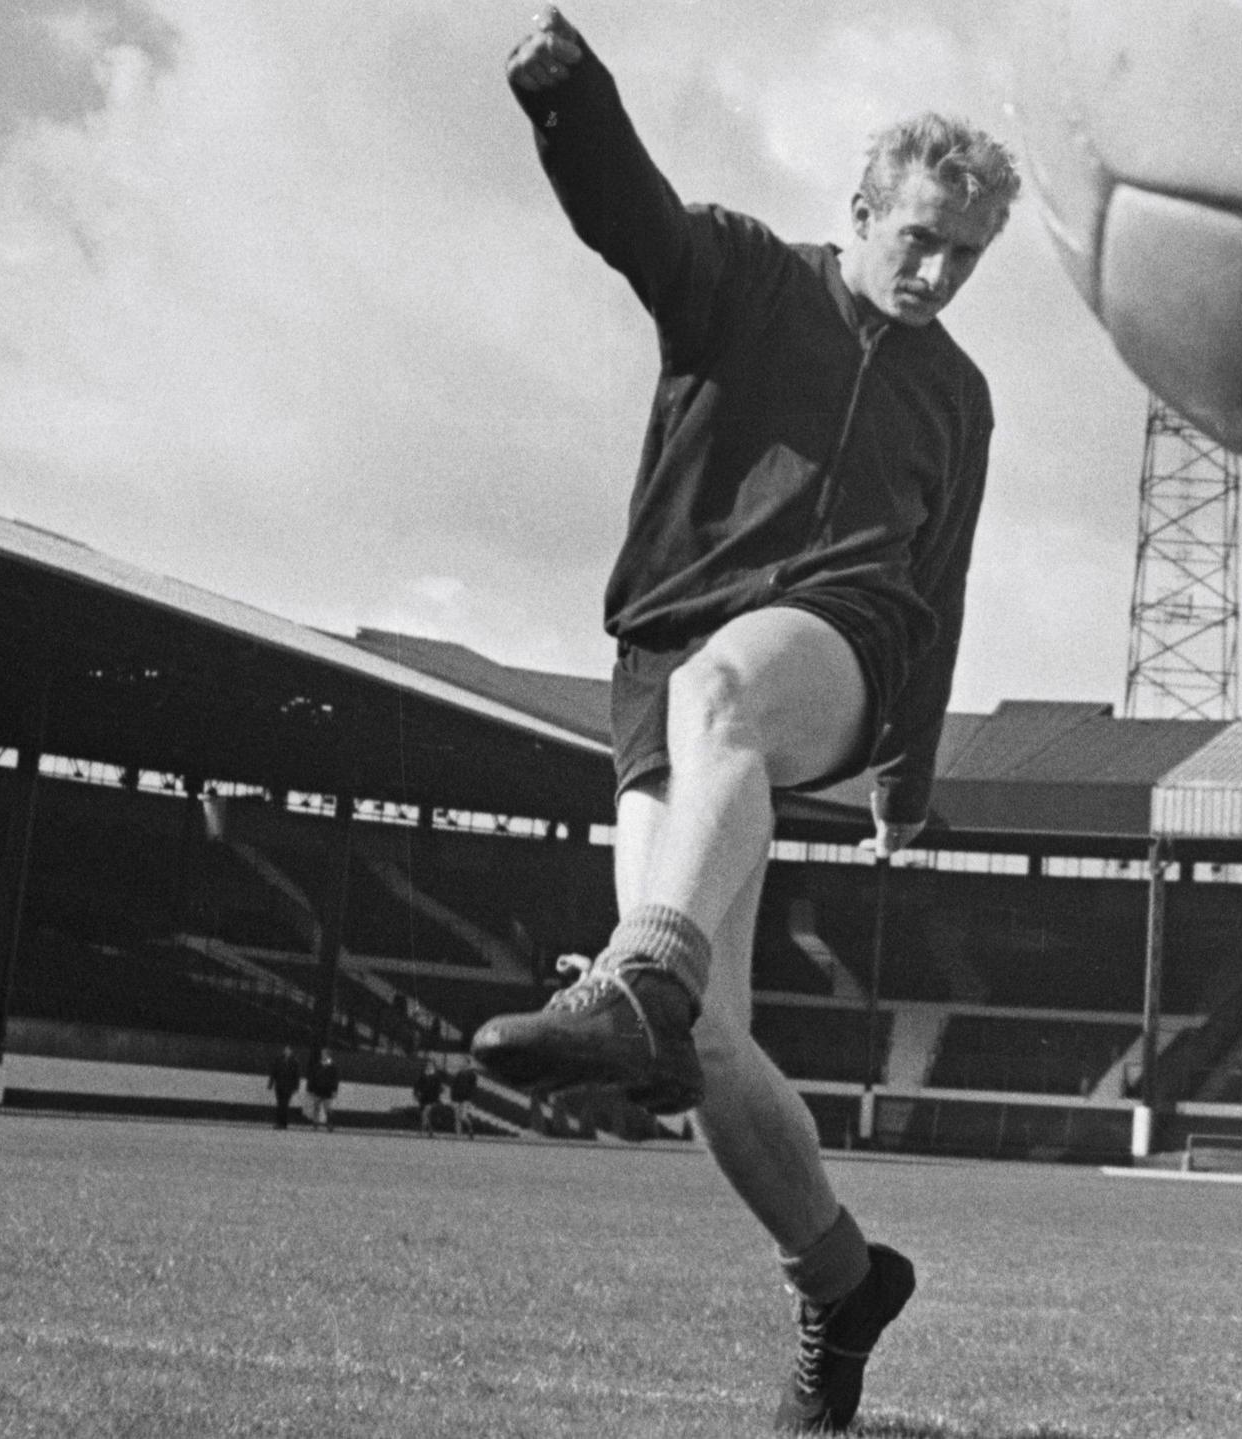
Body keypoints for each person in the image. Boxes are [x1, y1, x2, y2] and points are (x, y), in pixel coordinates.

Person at [470, 9, 1018, 1431]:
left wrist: (911, 768)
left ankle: (634, 971)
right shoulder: (742, 277)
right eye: (922, 239)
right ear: (861, 209)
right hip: (662, 661)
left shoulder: (958, 395)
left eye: (968, 255)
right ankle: (841, 1282)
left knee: (722, 717)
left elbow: (940, 583)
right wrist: (565, 93)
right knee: (706, 1036)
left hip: (845, 640)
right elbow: (626, 215)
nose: (941, 273)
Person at [267, 1045, 304, 1131]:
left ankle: (283, 1123)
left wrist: (296, 1087)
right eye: (285, 1050)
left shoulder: (294, 1062)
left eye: (288, 1050)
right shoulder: (279, 1060)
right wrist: (270, 1083)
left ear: (291, 1051)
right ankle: (279, 1123)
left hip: (288, 1087)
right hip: (279, 1085)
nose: (286, 1051)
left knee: (284, 1105)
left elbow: (297, 1076)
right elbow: (274, 1072)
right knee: (280, 1105)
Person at [303, 1049, 341, 1133]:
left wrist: (334, 1090)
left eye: (323, 1054)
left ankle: (330, 1124)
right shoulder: (318, 1065)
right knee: (316, 1108)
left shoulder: (333, 1066)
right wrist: (310, 1089)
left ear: (328, 1055)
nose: (322, 1055)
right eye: (322, 1054)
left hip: (328, 1091)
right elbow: (313, 1077)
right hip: (318, 1090)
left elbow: (335, 1079)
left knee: (328, 1109)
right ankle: (315, 1124)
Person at [448, 1058, 483, 1138]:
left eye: (464, 1063)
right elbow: (454, 1086)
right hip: (457, 1097)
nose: (463, 1065)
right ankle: (458, 1135)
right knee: (457, 1117)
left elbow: (473, 1088)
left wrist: (470, 1099)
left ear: (468, 1064)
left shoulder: (472, 1074)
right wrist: (452, 1098)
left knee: (463, 1117)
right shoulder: (459, 1073)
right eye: (462, 1063)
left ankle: (470, 1129)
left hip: (466, 1098)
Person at [413, 1057, 448, 1136]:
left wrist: (439, 1096)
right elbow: (417, 1085)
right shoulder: (423, 1074)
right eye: (428, 1064)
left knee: (424, 1114)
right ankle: (431, 1131)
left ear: (433, 1066)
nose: (429, 1066)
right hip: (423, 1098)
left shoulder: (436, 1076)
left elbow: (439, 1087)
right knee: (426, 1115)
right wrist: (416, 1093)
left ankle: (421, 1131)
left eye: (431, 1065)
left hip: (432, 1098)